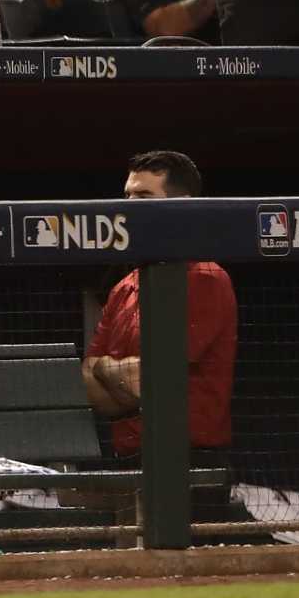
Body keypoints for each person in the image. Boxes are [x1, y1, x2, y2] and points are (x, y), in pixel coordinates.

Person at [83, 150, 236, 463]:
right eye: (127, 195)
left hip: (192, 461)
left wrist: (105, 368)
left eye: (143, 195)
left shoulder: (207, 277)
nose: (129, 206)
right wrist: (117, 375)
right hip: (126, 459)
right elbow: (88, 381)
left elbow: (156, 375)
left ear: (183, 206)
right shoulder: (122, 287)